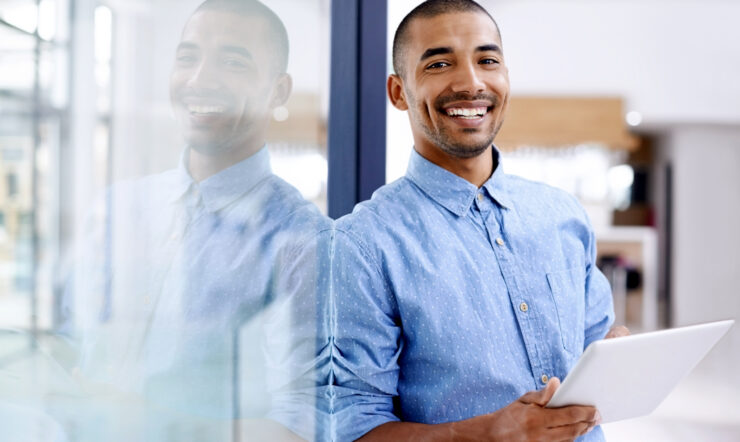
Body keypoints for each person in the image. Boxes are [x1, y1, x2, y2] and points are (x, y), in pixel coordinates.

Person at [330, 1, 627, 441]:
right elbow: (352, 427)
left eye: (487, 60)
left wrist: (616, 359)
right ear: (398, 92)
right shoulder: (362, 244)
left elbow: (595, 345)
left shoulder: (562, 215)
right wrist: (488, 433)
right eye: (439, 63)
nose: (471, 83)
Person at [63, 1, 329, 440]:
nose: (200, 79)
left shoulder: (303, 239)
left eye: (232, 61)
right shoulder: (118, 209)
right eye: (187, 57)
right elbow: (70, 341)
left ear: (278, 91)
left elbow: (302, 422)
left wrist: (152, 424)